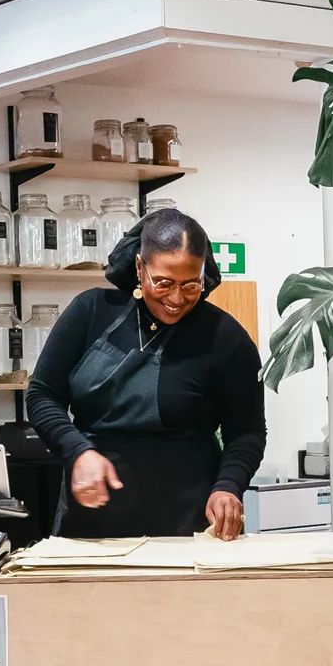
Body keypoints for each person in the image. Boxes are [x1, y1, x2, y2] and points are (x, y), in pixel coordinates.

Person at [26, 208, 265, 539]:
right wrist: (78, 451)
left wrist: (228, 487)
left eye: (191, 285)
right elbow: (41, 395)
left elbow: (247, 431)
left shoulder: (226, 338)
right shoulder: (91, 312)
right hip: (93, 520)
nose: (176, 298)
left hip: (189, 522)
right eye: (164, 283)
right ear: (140, 267)